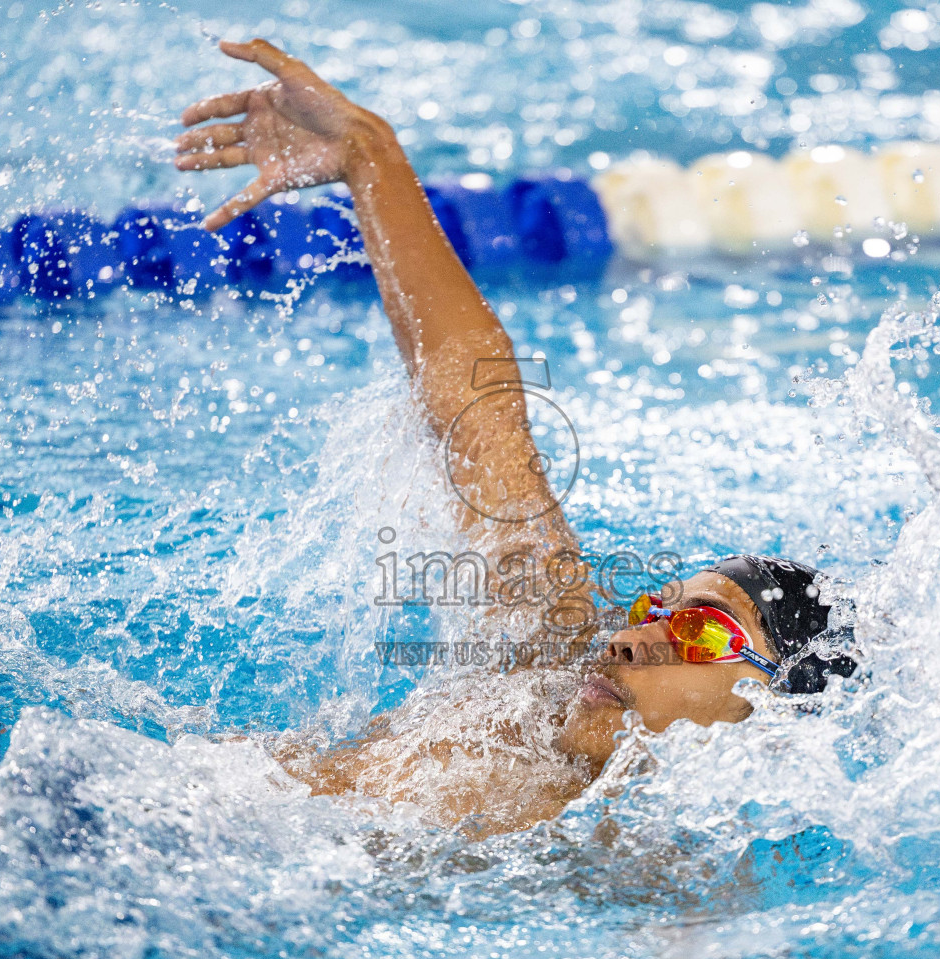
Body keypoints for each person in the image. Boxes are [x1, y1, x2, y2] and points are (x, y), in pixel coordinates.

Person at [174, 39, 855, 834]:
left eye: (701, 629)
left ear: (773, 715)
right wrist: (370, 154)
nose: (630, 641)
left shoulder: (650, 858)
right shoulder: (548, 667)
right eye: (653, 609)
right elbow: (480, 410)